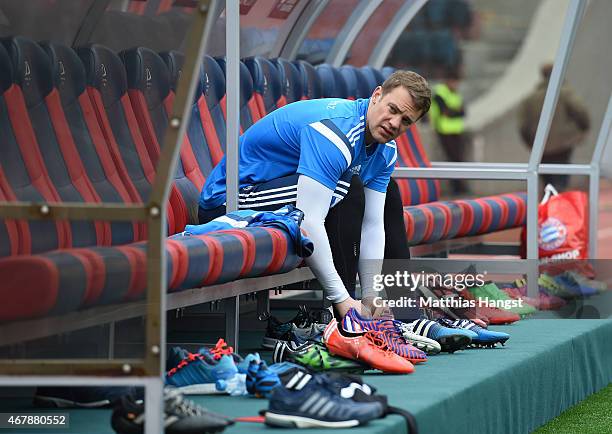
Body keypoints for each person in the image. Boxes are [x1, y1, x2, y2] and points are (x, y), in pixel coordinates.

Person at [198, 71, 431, 318]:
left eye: (406, 121)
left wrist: (371, 296)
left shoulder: (385, 150)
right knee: (347, 189)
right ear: (376, 95)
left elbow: (373, 224)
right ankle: (345, 317)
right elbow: (309, 220)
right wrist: (341, 298)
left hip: (278, 195)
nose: (394, 123)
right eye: (392, 109)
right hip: (229, 201)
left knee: (389, 194)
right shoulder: (335, 132)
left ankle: (407, 314)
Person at [519, 63, 590, 190]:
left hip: (541, 147)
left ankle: (549, 205)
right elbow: (581, 113)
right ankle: (558, 205)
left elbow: (523, 126)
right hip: (563, 144)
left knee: (547, 181)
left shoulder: (531, 98)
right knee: (560, 181)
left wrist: (531, 143)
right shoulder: (565, 94)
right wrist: (581, 131)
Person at [429, 73, 469, 194]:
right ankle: (456, 188)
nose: (456, 85)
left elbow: (463, 112)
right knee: (453, 160)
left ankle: (460, 187)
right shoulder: (440, 93)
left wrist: (454, 112)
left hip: (457, 131)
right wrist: (455, 111)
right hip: (444, 131)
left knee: (458, 159)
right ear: (448, 80)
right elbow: (446, 112)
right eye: (454, 82)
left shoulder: (455, 93)